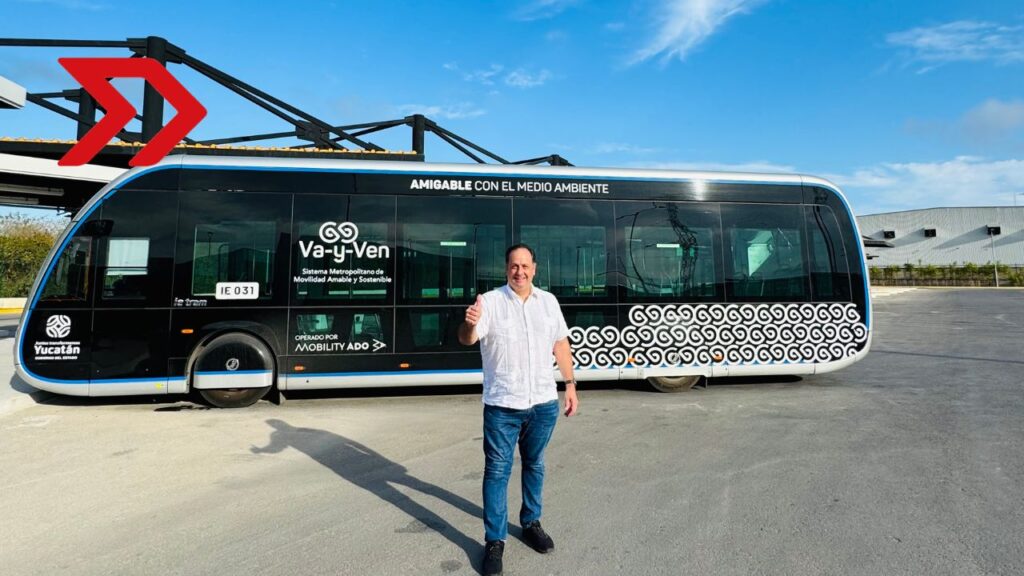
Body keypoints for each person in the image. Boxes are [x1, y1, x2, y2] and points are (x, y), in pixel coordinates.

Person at [458, 243, 579, 576]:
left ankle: (531, 523)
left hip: (543, 402)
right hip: (502, 405)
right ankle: (495, 541)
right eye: (514, 266)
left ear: (534, 269)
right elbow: (467, 338)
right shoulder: (490, 302)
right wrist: (469, 323)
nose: (520, 271)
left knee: (535, 464)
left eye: (525, 266)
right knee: (497, 472)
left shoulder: (549, 302)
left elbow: (560, 343)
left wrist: (570, 384)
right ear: (506, 269)